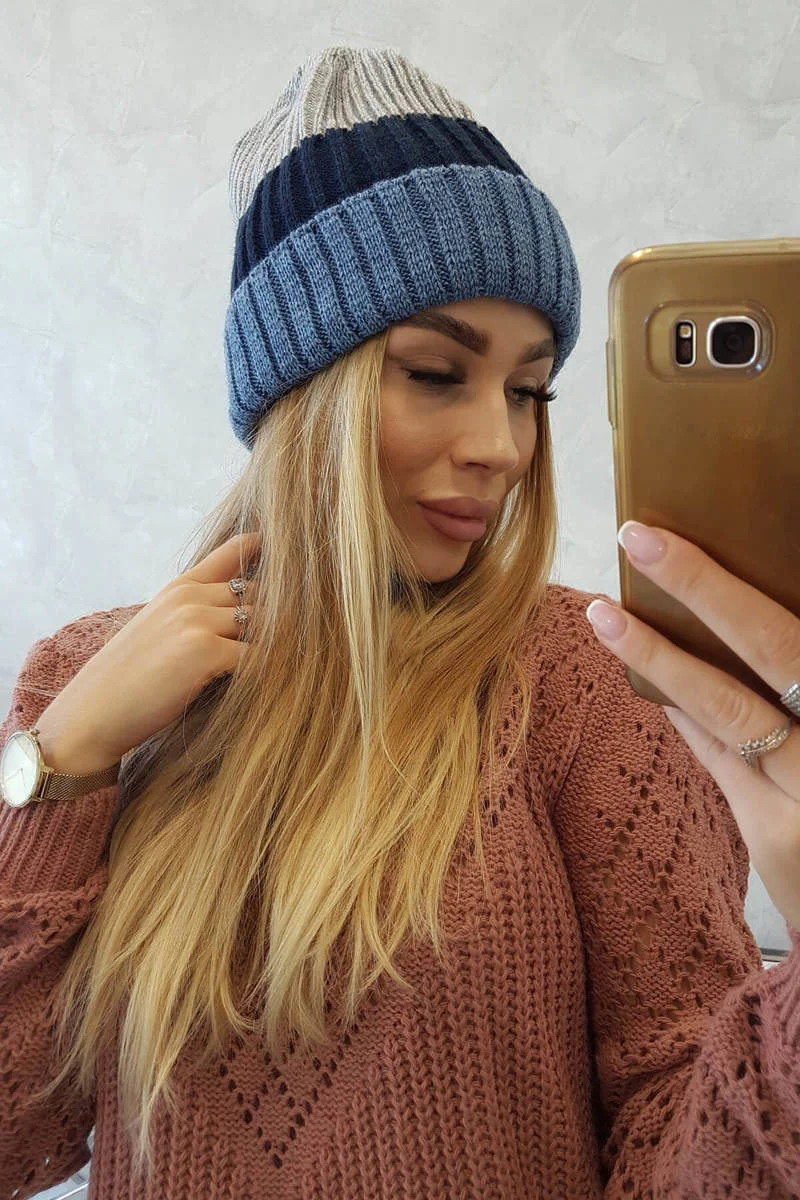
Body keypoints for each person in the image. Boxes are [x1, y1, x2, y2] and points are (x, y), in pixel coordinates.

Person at [1, 44, 799, 1200]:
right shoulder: (88, 681)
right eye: (433, 372)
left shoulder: (582, 682)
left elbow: (676, 1139)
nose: (501, 447)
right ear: (296, 393)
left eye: (527, 390)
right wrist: (62, 764)